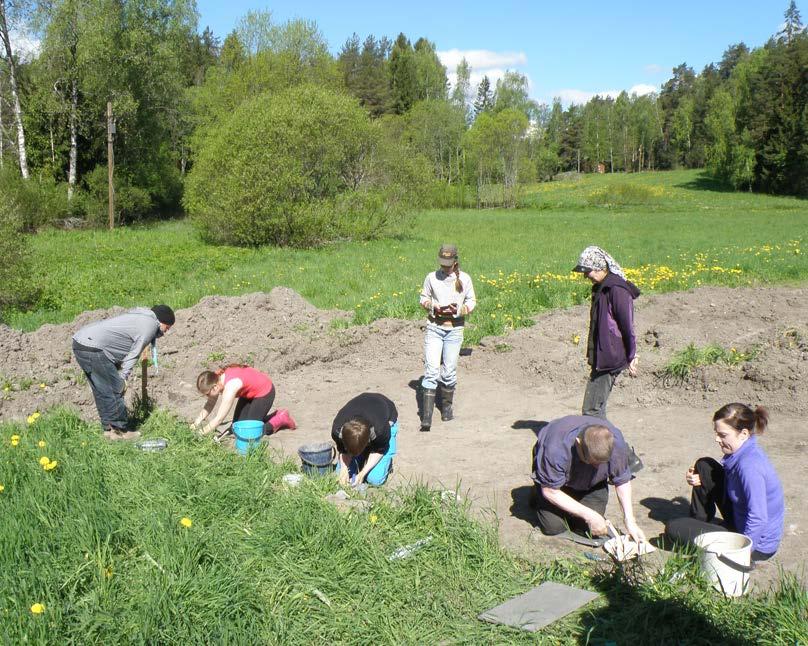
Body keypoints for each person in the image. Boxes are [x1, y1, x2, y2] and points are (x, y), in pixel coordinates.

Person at [665, 403, 784, 562]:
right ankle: (699, 523)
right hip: (740, 516)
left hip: (755, 545)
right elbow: (733, 483)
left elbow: (759, 518)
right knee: (704, 466)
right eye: (716, 433)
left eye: (723, 435)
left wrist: (742, 552)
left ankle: (701, 532)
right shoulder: (746, 450)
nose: (717, 439)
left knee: (674, 528)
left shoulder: (750, 466)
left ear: (743, 433)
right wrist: (700, 479)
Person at [531, 415, 646, 544]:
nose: (596, 466)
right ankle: (538, 491)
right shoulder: (555, 449)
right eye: (591, 462)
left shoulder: (616, 443)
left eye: (601, 464)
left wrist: (630, 521)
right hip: (555, 484)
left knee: (589, 530)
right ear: (578, 443)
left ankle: (575, 497)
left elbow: (622, 480)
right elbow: (550, 491)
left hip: (591, 481)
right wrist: (589, 515)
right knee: (553, 527)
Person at [72, 305, 174, 440]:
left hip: (81, 343)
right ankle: (121, 431)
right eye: (168, 327)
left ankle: (109, 430)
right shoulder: (150, 325)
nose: (166, 332)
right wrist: (123, 377)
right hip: (95, 348)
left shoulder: (139, 317)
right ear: (162, 321)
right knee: (116, 389)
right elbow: (135, 353)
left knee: (101, 390)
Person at [572, 246, 640, 420]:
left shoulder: (616, 290)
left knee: (591, 411)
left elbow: (627, 327)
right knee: (597, 409)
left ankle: (608, 446)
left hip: (609, 358)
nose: (585, 275)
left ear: (601, 268)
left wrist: (632, 355)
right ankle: (603, 445)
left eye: (587, 271)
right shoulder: (601, 287)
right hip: (602, 356)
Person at [418, 244, 476, 432]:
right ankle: (426, 417)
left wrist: (460, 311)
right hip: (434, 328)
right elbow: (423, 298)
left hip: (454, 330)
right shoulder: (431, 278)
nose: (445, 268)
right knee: (432, 370)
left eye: (448, 264)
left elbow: (471, 301)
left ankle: (446, 408)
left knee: (449, 371)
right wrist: (431, 306)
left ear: (455, 262)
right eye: (442, 264)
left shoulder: (465, 279)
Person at [192, 365, 296, 438]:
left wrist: (200, 434)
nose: (207, 397)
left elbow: (219, 419)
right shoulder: (215, 379)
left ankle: (281, 419)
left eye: (207, 394)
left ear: (214, 387)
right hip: (249, 393)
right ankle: (273, 416)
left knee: (249, 433)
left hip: (265, 392)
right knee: (236, 428)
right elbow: (210, 404)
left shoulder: (230, 387)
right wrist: (196, 423)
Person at [331, 392, 398, 487]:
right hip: (361, 405)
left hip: (385, 412)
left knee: (374, 480)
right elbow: (343, 450)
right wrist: (344, 470)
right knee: (340, 475)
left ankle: (385, 463)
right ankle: (361, 457)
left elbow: (380, 450)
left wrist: (362, 474)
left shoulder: (379, 430)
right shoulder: (337, 430)